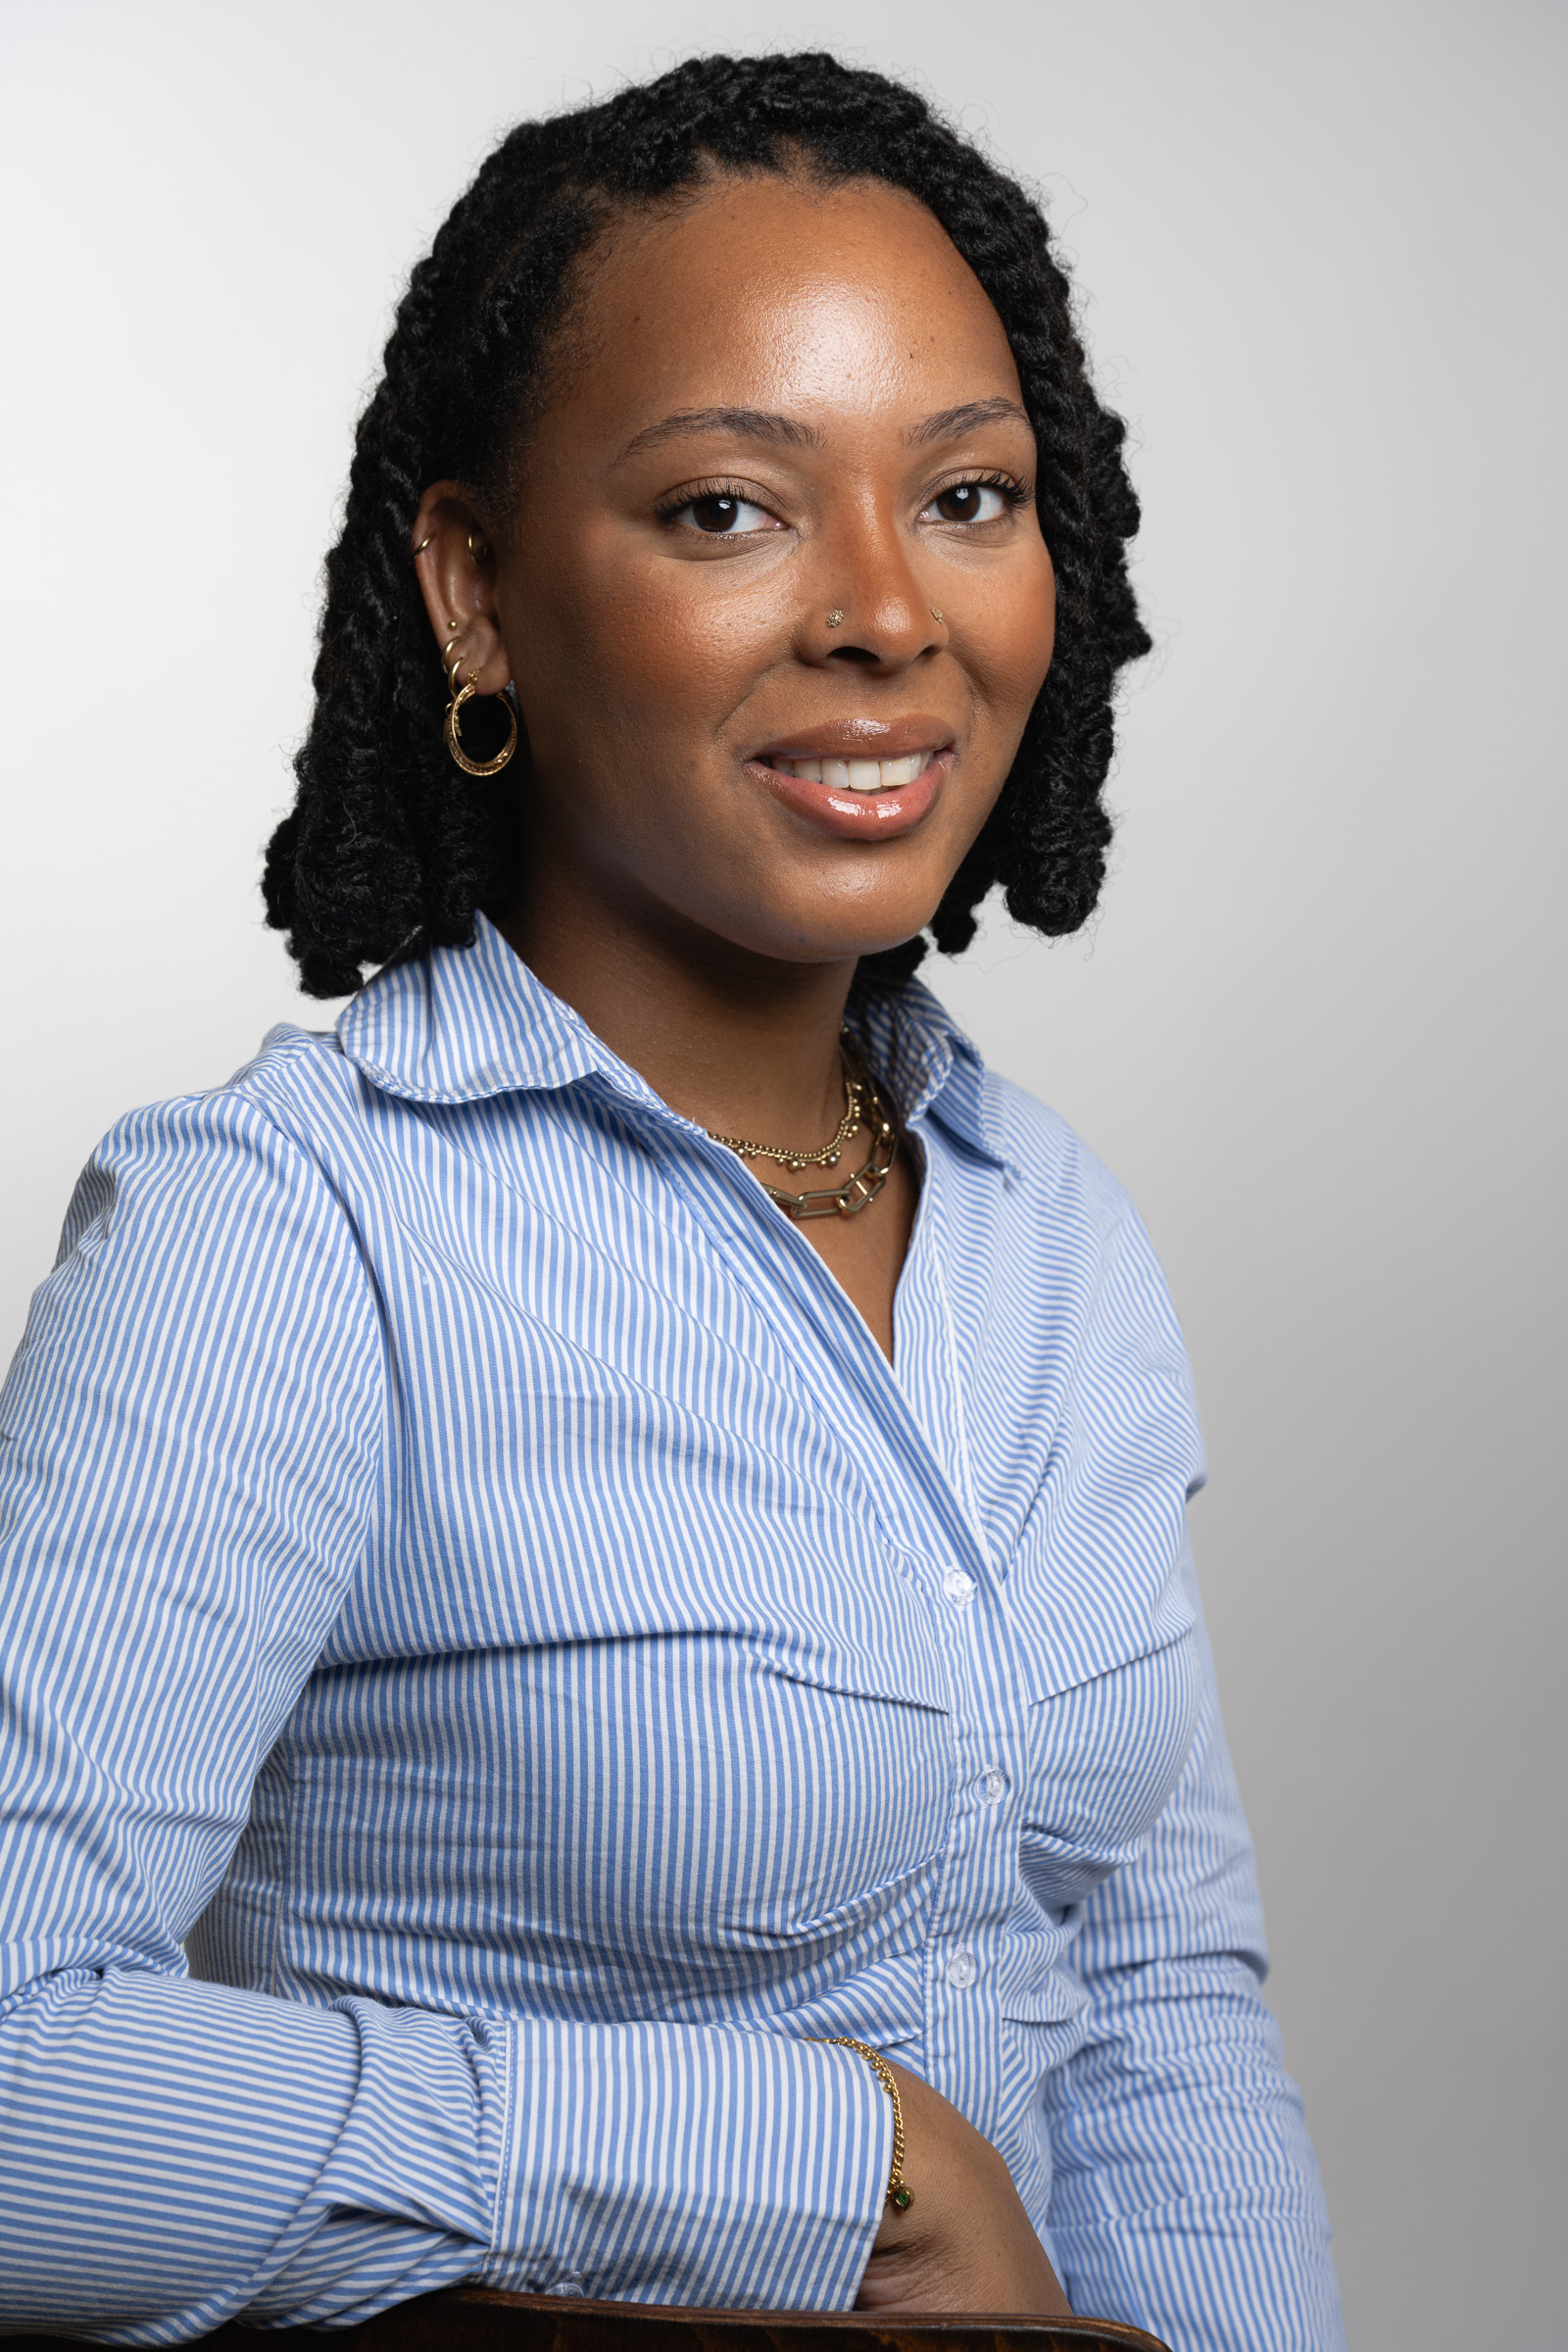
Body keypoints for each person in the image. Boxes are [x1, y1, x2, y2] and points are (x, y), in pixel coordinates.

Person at [0, 51, 1344, 2350]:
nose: (884, 612)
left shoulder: (1049, 1229)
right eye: (728, 509)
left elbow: (1149, 2001)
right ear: (474, 593)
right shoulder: (288, 1236)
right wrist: (825, 2163)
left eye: (966, 495)